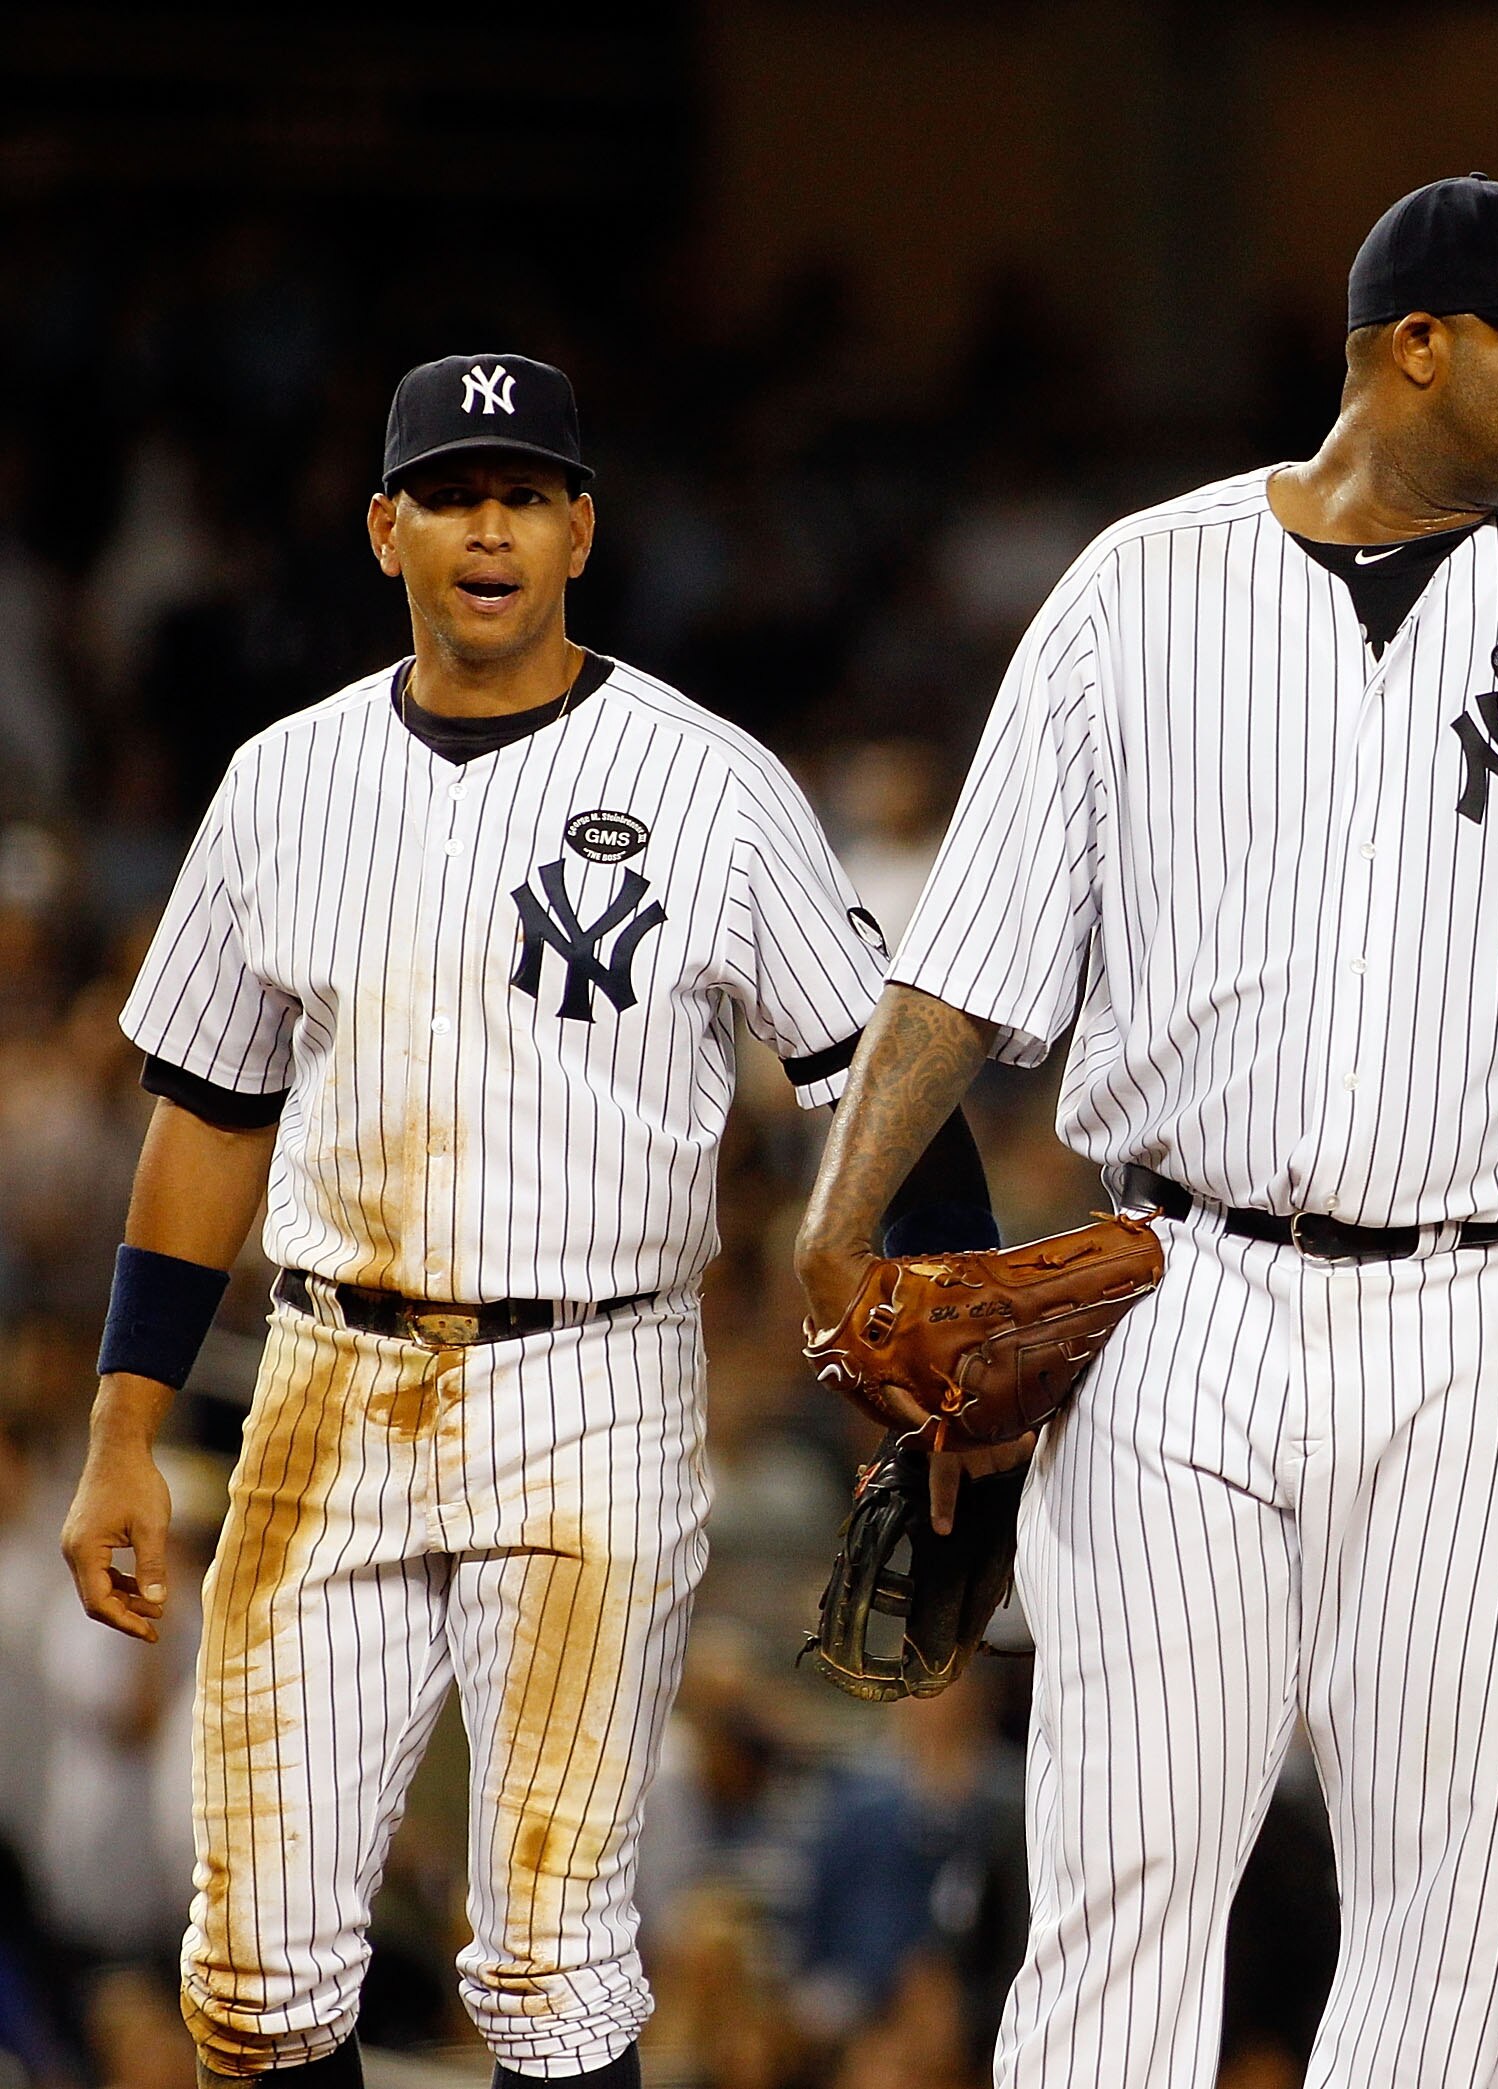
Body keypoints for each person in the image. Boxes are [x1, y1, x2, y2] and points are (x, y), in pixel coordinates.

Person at [791, 173, 1498, 2089]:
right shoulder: (1135, 588)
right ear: (1414, 348)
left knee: (1451, 1908)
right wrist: (840, 1226)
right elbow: (962, 959)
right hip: (1182, 1294)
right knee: (1119, 1871)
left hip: (1496, 1319)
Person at [55, 354, 986, 2085]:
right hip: (325, 1382)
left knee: (551, 1970)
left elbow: (877, 1082)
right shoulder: (282, 779)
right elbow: (206, 1119)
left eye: (528, 491)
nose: (491, 525)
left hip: (592, 1391)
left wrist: (960, 1403)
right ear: (384, 527)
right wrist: (122, 1423)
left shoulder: (709, 784)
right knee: (251, 1986)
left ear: (579, 529)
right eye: (456, 492)